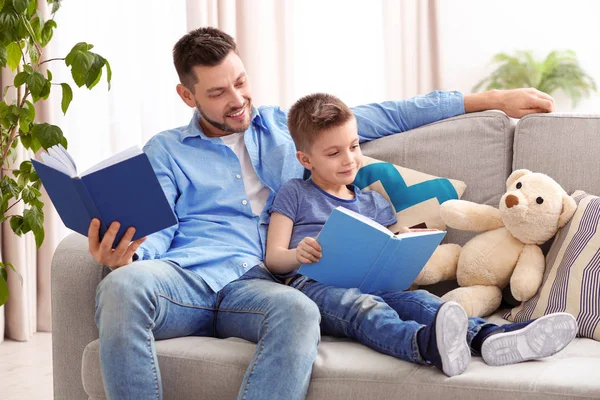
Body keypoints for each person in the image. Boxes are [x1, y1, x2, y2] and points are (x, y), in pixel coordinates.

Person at [87, 27, 558, 400]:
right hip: (188, 277)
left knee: (298, 311)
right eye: (217, 93)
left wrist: (491, 100)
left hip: (258, 285)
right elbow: (158, 225)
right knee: (122, 284)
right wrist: (130, 256)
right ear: (188, 96)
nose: (237, 100)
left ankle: (487, 338)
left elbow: (389, 113)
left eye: (241, 82)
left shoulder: (288, 128)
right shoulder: (166, 150)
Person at [264, 92, 578, 377]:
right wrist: (296, 255)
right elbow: (273, 259)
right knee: (360, 306)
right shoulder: (295, 193)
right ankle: (426, 345)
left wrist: (406, 239)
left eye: (354, 146)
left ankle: (490, 337)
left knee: (421, 301)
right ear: (305, 160)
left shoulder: (372, 200)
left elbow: (388, 247)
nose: (349, 159)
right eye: (334, 153)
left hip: (373, 283)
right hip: (314, 287)